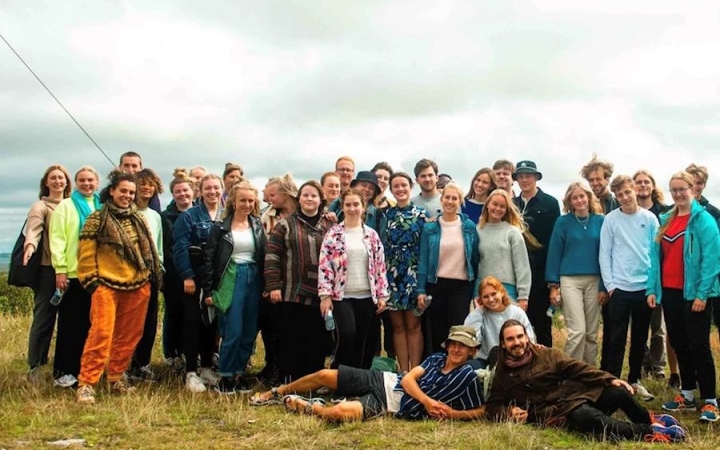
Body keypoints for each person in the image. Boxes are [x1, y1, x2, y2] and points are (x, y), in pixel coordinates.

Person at [485, 320, 687, 443]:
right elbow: (492, 406)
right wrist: (508, 412)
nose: (517, 342)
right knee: (589, 417)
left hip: (574, 395)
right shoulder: (503, 373)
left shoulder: (547, 355)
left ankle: (649, 420)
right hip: (554, 412)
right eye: (510, 339)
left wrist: (609, 378)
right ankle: (650, 433)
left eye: (520, 336)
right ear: (503, 343)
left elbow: (578, 368)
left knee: (617, 392)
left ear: (527, 337)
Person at [249, 325, 485, 423]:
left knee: (341, 413)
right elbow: (409, 378)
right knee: (324, 374)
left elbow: (483, 409)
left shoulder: (468, 376)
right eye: (453, 343)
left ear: (472, 351)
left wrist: (453, 414)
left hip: (388, 403)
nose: (455, 349)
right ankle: (277, 392)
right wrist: (427, 401)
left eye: (462, 346)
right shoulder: (436, 358)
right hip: (384, 380)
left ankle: (310, 406)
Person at [75, 172, 163, 404]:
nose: (127, 195)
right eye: (123, 191)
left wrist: (147, 279)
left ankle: (116, 377)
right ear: (111, 191)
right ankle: (86, 383)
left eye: (131, 192)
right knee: (101, 333)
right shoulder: (97, 219)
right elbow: (85, 256)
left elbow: (148, 252)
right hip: (106, 285)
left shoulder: (139, 219)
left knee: (129, 335)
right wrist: (92, 283)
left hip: (138, 286)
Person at [646, 171, 720, 422]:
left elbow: (711, 261)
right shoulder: (666, 219)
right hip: (670, 293)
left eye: (682, 189)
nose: (678, 194)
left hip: (694, 294)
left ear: (692, 189)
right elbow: (655, 261)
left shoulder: (704, 220)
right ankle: (687, 394)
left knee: (699, 346)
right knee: (679, 343)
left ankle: (710, 400)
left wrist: (702, 294)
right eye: (674, 189)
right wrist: (653, 289)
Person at [265, 180, 334, 383]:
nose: (309, 199)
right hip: (290, 292)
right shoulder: (285, 225)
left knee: (317, 338)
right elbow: (272, 256)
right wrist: (273, 286)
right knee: (291, 337)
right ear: (299, 199)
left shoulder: (329, 226)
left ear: (320, 200)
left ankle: (313, 381)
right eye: (305, 195)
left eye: (314, 195)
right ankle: (290, 381)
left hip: (321, 294)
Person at [202, 181, 266, 394]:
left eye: (250, 200)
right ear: (233, 202)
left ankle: (240, 374)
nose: (247, 204)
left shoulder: (257, 225)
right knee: (232, 329)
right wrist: (209, 291)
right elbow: (209, 260)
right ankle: (226, 376)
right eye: (243, 200)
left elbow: (263, 256)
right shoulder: (220, 228)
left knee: (249, 330)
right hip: (231, 277)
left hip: (253, 276)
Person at [599, 175, 659, 401]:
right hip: (620, 288)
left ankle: (635, 379)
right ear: (615, 196)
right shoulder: (611, 220)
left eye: (627, 192)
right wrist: (611, 285)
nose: (624, 197)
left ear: (634, 190)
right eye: (619, 195)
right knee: (616, 338)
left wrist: (652, 287)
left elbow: (655, 254)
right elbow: (604, 253)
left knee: (640, 338)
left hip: (643, 288)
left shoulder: (650, 219)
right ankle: (614, 381)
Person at [318, 188, 389, 370]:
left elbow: (380, 266)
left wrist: (382, 295)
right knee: (347, 335)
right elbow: (325, 265)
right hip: (341, 295)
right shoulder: (333, 234)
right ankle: (337, 374)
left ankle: (360, 379)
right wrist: (325, 296)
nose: (352, 208)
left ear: (363, 207)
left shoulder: (371, 235)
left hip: (367, 295)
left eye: (356, 204)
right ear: (342, 207)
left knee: (364, 340)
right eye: (348, 205)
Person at [49, 166, 101, 388]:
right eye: (82, 180)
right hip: (73, 273)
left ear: (97, 183)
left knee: (93, 325)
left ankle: (86, 369)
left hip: (99, 275)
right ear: (76, 183)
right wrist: (60, 269)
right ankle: (64, 371)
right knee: (71, 325)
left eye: (90, 180)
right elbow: (58, 239)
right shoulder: (66, 206)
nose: (86, 184)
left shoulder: (102, 206)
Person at [173, 173, 224, 392]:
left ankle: (206, 367)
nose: (213, 192)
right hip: (195, 279)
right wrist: (187, 276)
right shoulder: (189, 216)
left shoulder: (226, 215)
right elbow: (180, 247)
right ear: (200, 191)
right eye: (208, 188)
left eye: (216, 188)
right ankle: (191, 372)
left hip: (217, 281)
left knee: (210, 324)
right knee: (192, 322)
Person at [545, 182, 606, 365]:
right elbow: (554, 253)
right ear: (570, 201)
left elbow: (606, 254)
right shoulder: (563, 222)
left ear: (588, 197)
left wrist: (604, 286)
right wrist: (553, 286)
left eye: (582, 196)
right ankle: (572, 373)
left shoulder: (601, 221)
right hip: (569, 280)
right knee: (577, 331)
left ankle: (590, 373)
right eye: (575, 197)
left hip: (595, 281)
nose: (579, 200)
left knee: (591, 333)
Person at [417, 182, 479, 353]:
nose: (450, 201)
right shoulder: (430, 228)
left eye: (454, 198)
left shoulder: (469, 227)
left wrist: (475, 291)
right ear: (441, 199)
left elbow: (474, 259)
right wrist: (420, 289)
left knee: (458, 332)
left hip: (461, 287)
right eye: (447, 197)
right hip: (436, 284)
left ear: (460, 201)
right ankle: (438, 370)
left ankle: (456, 371)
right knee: (438, 331)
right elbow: (423, 260)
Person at [24, 164, 72, 382]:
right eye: (53, 178)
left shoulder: (73, 205)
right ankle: (35, 366)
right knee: (44, 320)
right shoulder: (41, 206)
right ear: (46, 182)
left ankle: (65, 367)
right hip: (47, 271)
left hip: (72, 270)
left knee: (71, 321)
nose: (57, 181)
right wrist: (29, 247)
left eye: (61, 178)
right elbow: (33, 230)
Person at [383, 172, 428, 373]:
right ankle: (402, 371)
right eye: (396, 186)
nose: (400, 189)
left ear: (411, 187)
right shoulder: (386, 216)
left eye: (404, 185)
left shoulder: (422, 215)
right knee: (397, 326)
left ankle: (415, 370)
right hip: (391, 273)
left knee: (414, 325)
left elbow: (426, 248)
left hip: (413, 273)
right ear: (391, 190)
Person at [512, 160, 560, 347]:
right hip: (517, 271)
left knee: (542, 323)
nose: (524, 180)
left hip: (540, 271)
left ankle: (547, 368)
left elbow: (554, 243)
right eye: (520, 176)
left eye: (528, 176)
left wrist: (553, 279)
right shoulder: (512, 203)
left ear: (536, 178)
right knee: (519, 321)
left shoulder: (550, 203)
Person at [633, 170, 673, 383]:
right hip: (635, 277)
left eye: (646, 182)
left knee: (658, 327)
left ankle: (658, 367)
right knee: (638, 325)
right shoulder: (630, 212)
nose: (642, 185)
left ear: (653, 185)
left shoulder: (665, 212)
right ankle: (641, 364)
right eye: (638, 182)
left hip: (658, 274)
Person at [258, 173, 298, 383]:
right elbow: (267, 252)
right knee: (273, 327)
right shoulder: (267, 218)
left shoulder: (306, 211)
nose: (270, 198)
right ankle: (274, 367)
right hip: (276, 279)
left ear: (286, 194)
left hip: (299, 280)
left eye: (274, 194)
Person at [129, 168, 165, 380]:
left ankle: (142, 363)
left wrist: (159, 271)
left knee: (149, 322)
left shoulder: (155, 216)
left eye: (150, 185)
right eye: (142, 184)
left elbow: (158, 247)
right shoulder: (125, 211)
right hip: (129, 275)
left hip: (151, 275)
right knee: (129, 322)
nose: (146, 188)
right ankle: (124, 364)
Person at [160, 169, 195, 370]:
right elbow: (166, 246)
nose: (183, 194)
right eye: (178, 191)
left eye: (186, 191)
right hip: (173, 275)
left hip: (195, 275)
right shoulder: (165, 218)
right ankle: (173, 355)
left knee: (192, 317)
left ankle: (191, 354)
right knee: (174, 314)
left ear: (193, 192)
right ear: (173, 194)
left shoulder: (200, 214)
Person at [464, 277, 535, 369]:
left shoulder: (516, 312)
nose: (491, 299)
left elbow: (529, 338)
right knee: (468, 367)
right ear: (480, 299)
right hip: (486, 360)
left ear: (501, 292)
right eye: (486, 297)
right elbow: (471, 340)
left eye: (494, 294)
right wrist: (478, 312)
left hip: (514, 356)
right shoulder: (480, 315)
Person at [476, 189, 531, 307]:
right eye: (495, 204)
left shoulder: (512, 232)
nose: (498, 208)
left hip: (506, 288)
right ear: (487, 205)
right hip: (482, 288)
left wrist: (523, 296)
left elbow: (522, 266)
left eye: (502, 206)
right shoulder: (478, 230)